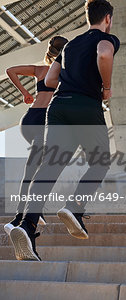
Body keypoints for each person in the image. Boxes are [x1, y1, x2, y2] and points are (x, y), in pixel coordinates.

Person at [9, 0, 120, 261]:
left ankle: (27, 224)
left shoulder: (70, 45)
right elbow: (104, 54)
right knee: (101, 160)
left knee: (49, 167)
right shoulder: (107, 38)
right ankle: (75, 206)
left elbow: (50, 80)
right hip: (85, 105)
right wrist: (106, 86)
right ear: (107, 18)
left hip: (58, 106)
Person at [3, 36, 68, 236]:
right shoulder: (65, 73)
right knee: (37, 171)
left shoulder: (39, 70)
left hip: (29, 118)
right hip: (42, 120)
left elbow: (10, 71)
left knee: (35, 168)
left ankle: (32, 212)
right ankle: (18, 217)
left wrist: (25, 93)